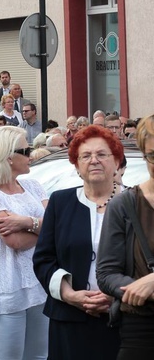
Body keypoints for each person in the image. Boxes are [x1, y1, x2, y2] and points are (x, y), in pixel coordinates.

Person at [33, 125, 123, 359]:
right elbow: (43, 259)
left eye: (102, 154)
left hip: (125, 319)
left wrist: (116, 295)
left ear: (116, 162)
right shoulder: (60, 202)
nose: (94, 161)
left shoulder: (134, 204)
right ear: (76, 165)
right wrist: (70, 295)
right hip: (69, 319)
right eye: (85, 156)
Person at [0, 126, 49, 359]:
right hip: (7, 288)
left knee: (39, 356)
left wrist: (26, 221)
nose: (31, 153)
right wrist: (43, 226)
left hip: (39, 284)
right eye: (25, 149)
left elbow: (58, 225)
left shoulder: (33, 185)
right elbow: (15, 241)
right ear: (8, 156)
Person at [97, 115, 154, 358]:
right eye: (153, 155)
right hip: (141, 327)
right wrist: (137, 288)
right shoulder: (125, 204)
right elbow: (106, 274)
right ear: (143, 154)